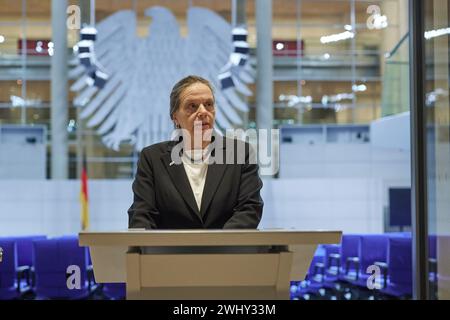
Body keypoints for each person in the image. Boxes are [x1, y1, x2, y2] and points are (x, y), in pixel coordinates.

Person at [128, 75, 263, 229]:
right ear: (175, 117)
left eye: (209, 104)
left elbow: (250, 209)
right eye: (192, 106)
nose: (203, 112)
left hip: (226, 251)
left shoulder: (240, 153)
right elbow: (141, 215)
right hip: (169, 252)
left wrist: (215, 246)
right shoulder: (152, 158)